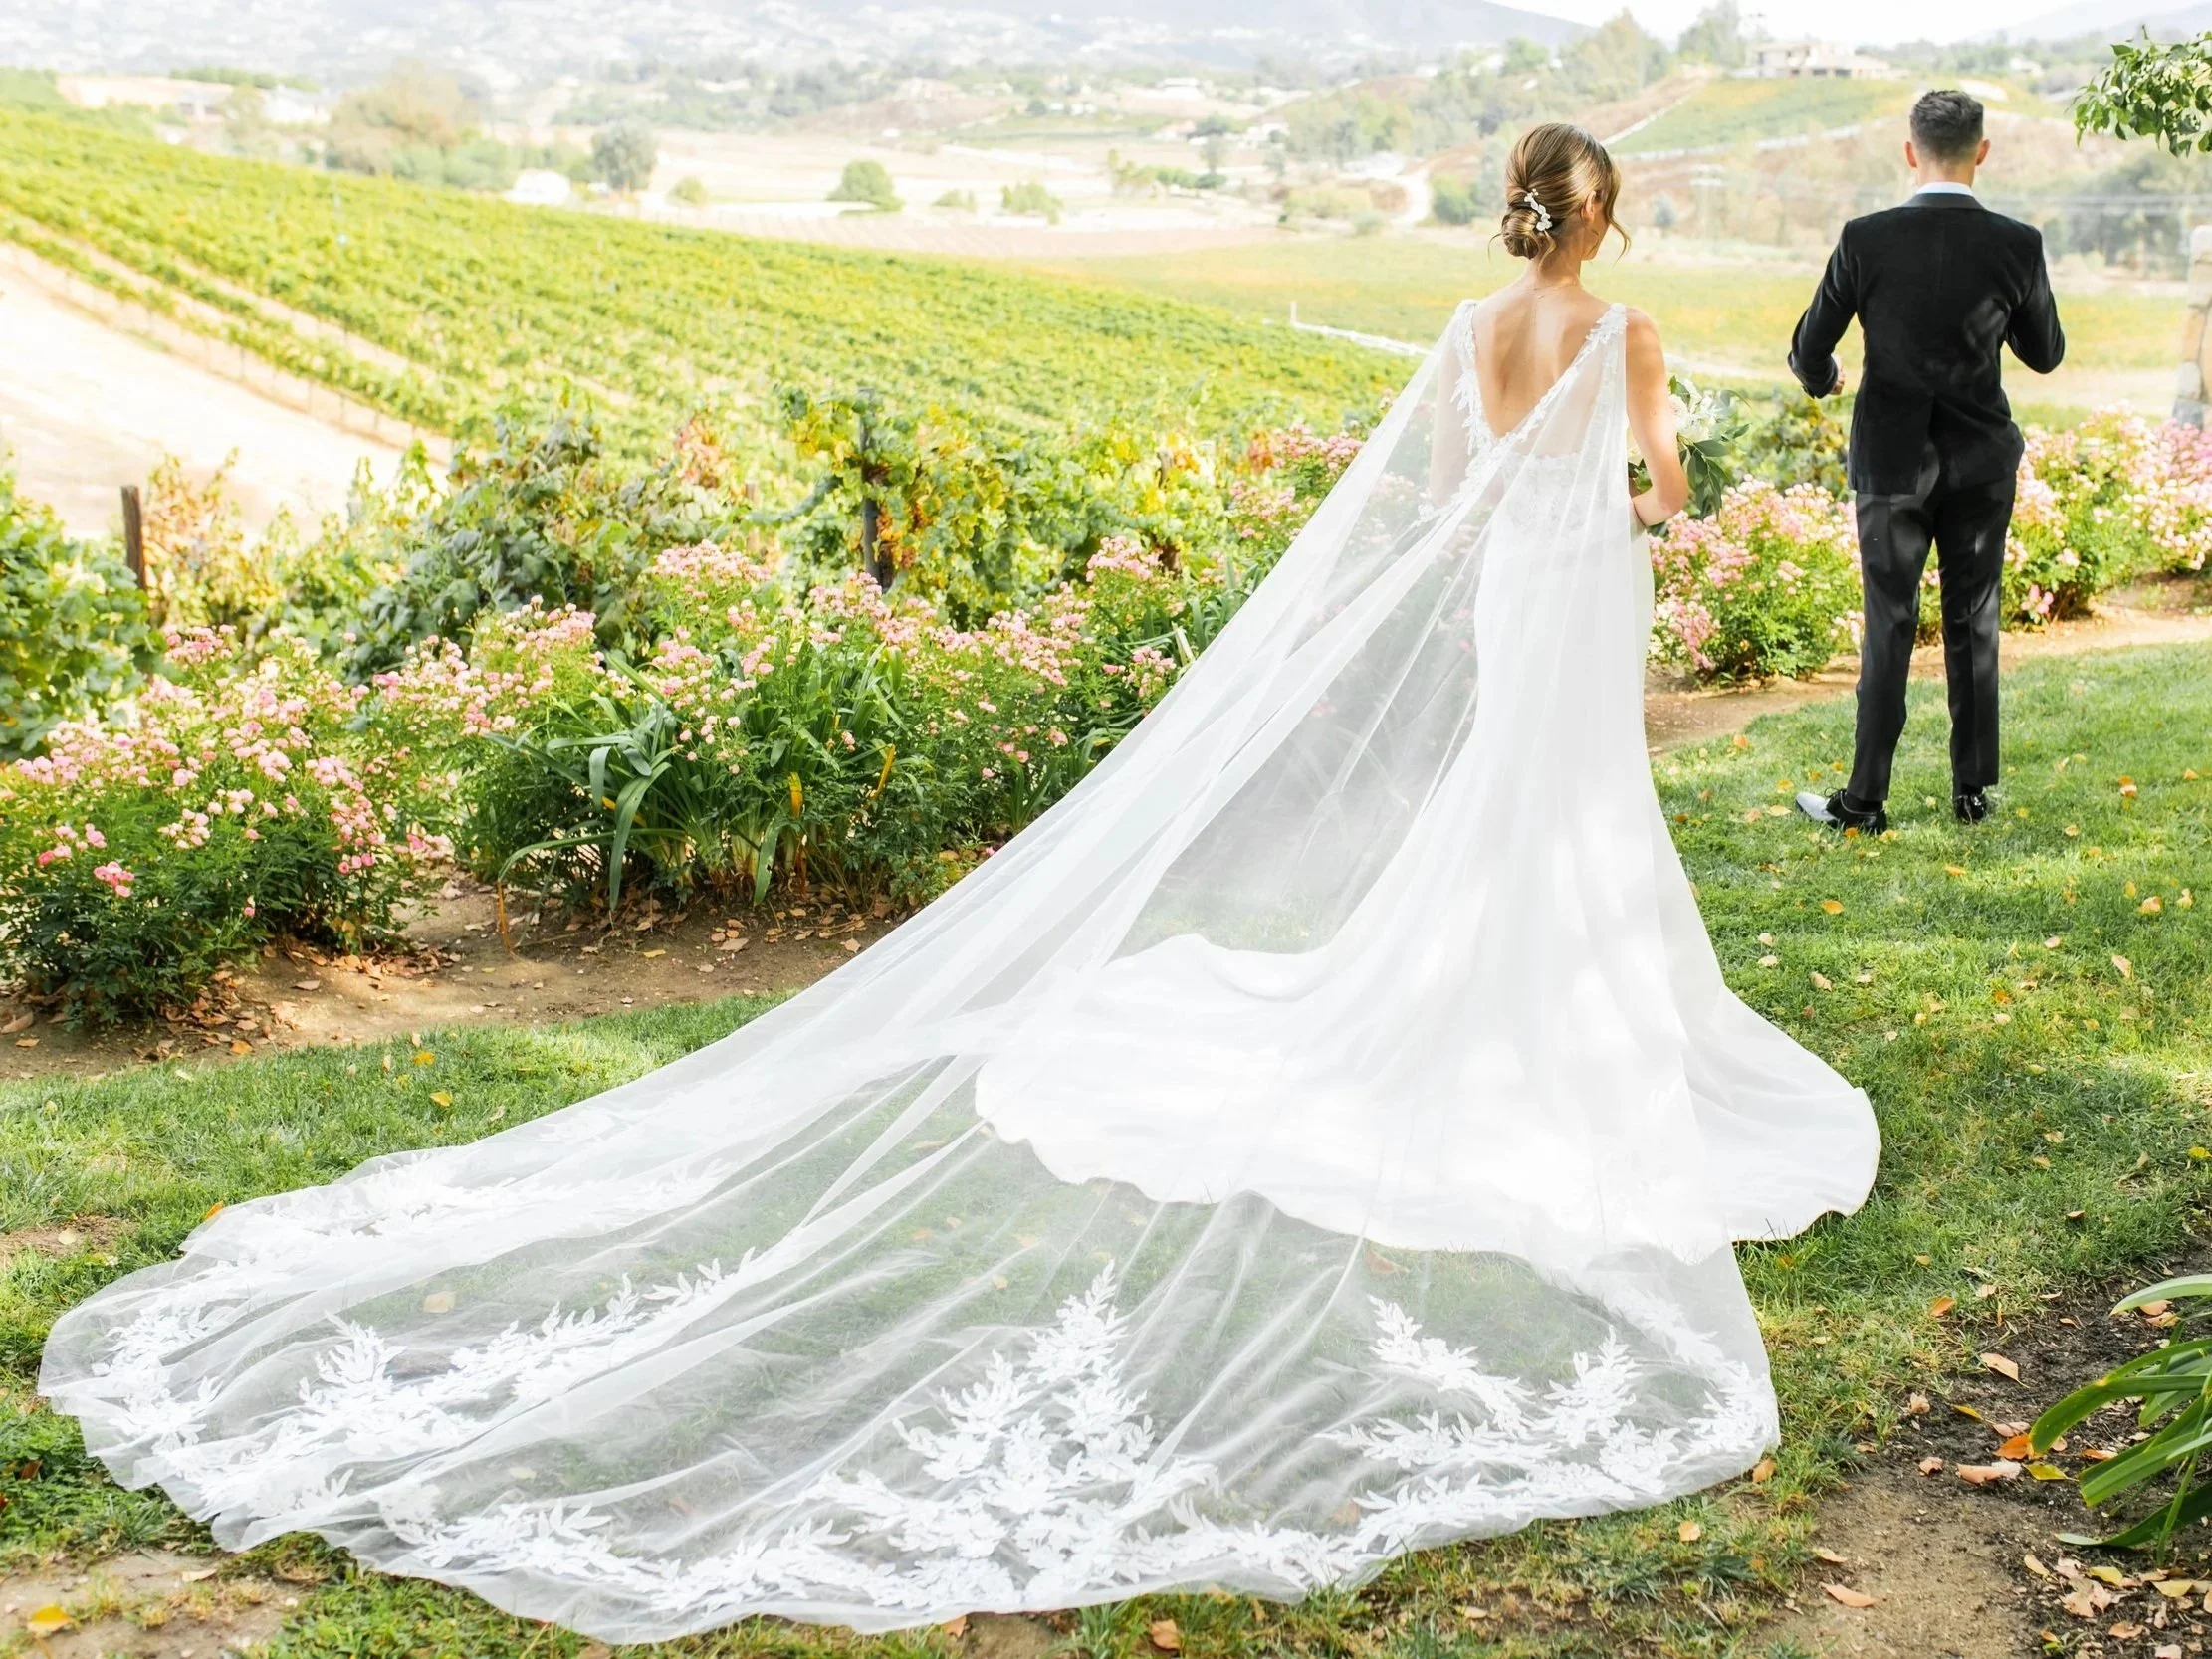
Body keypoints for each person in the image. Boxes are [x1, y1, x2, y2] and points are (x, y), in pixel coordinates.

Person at [41, 125, 1878, 1643]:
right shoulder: (1625, 329)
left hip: (1504, 588)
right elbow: (1658, 488)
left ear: (1518, 211)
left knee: (1514, 795)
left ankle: (1479, 986)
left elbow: (1456, 479)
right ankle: (1560, 1005)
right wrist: (1642, 496)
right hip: (1580, 584)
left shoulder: (1471, 322)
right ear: (1602, 217)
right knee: (1571, 799)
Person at [1790, 89, 2067, 836]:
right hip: (1981, 462)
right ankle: (1973, 791)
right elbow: (2046, 353)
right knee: (1974, 618)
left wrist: (1825, 379)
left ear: (1911, 152)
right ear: (1983, 152)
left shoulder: (1865, 238)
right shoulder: (2018, 243)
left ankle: (1864, 801)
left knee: (1889, 622)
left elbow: (1809, 347)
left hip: (1891, 460)